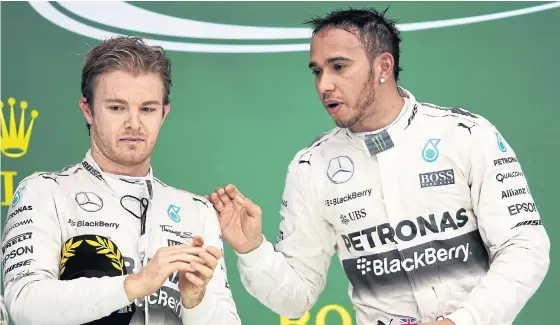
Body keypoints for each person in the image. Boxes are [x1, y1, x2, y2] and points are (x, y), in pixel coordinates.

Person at [208, 7, 550, 325]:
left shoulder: (466, 134)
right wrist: (253, 250)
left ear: (383, 67)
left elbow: (525, 247)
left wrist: (461, 321)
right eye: (317, 71)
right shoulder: (310, 167)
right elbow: (295, 299)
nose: (324, 84)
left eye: (339, 67)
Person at [2, 36, 240, 325]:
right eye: (116, 108)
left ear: (163, 114)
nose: (134, 124)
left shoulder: (196, 211)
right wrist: (136, 283)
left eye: (147, 109)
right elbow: (25, 303)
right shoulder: (44, 192)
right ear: (87, 110)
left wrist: (194, 301)